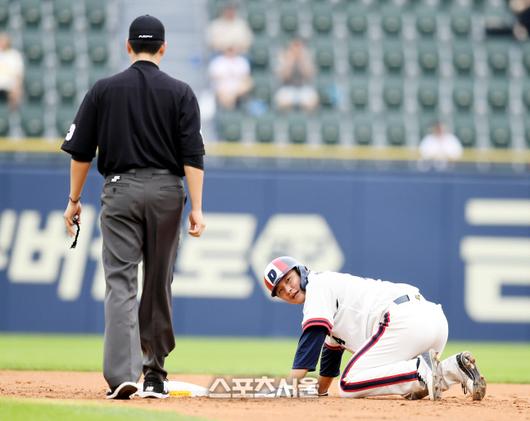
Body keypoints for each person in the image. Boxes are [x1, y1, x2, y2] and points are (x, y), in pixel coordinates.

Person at [61, 15, 206, 400]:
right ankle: (155, 375)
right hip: (166, 191)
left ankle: (122, 375)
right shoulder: (181, 92)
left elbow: (80, 152)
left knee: (121, 283)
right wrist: (198, 208)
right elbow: (193, 157)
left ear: (128, 47)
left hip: (120, 189)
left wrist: (74, 201)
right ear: (163, 48)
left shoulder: (104, 89)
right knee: (158, 282)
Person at [263, 256, 487, 400]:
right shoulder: (328, 296)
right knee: (412, 389)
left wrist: (290, 385)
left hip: (405, 321)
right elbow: (330, 354)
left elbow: (312, 335)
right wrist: (320, 391)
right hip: (431, 320)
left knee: (349, 384)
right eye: (280, 290)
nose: (288, 290)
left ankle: (423, 369)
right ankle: (453, 369)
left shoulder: (317, 286)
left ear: (301, 272)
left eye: (289, 280)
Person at [274, 38, 319, 112]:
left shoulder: (306, 57)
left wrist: (302, 61)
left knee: (312, 101)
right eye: (294, 46)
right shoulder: (284, 57)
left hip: (303, 87)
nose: (297, 49)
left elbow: (309, 75)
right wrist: (290, 61)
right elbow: (284, 77)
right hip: (288, 87)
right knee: (281, 102)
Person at [0, 32, 24, 110]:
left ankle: (13, 117)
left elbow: (19, 74)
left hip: (10, 85)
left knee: (17, 92)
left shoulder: (15, 55)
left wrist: (17, 87)